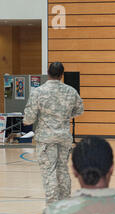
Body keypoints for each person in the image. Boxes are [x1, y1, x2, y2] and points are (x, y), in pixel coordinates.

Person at [23, 62, 84, 205]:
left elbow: (29, 118)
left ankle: (52, 208)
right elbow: (80, 110)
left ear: (47, 72)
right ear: (62, 75)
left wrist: (26, 120)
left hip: (46, 138)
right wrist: (64, 116)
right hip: (64, 137)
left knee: (49, 171)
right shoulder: (71, 91)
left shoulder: (38, 91)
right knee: (62, 169)